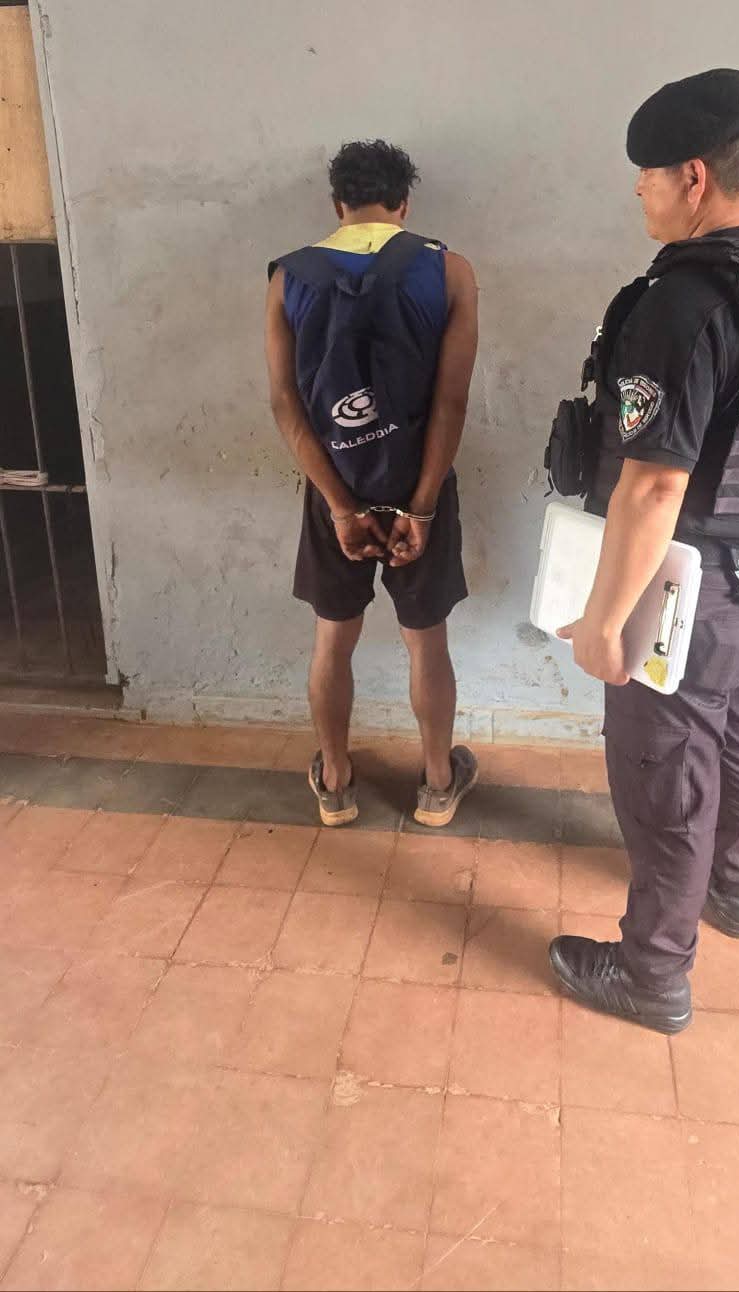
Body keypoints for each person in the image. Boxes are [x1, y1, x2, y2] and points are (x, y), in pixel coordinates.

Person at [548, 70, 739, 1033]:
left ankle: (653, 974)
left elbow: (654, 485)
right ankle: (734, 886)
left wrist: (603, 621)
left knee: (666, 768)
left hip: (686, 584)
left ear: (694, 178)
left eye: (647, 173)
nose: (638, 189)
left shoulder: (683, 302)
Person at [265, 140, 479, 828]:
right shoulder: (449, 271)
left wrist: (339, 506)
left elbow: (286, 405)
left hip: (334, 485)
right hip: (420, 485)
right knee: (426, 640)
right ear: (403, 204)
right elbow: (451, 403)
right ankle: (438, 784)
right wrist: (422, 507)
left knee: (333, 638)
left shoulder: (288, 277)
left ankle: (336, 782)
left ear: (338, 205)